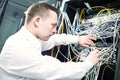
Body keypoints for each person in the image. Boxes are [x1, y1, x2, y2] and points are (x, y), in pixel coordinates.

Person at [0, 2, 101, 80]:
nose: (55, 30)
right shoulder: (19, 48)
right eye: (53, 25)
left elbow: (54, 39)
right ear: (37, 21)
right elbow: (58, 71)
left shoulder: (27, 39)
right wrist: (88, 63)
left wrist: (77, 39)